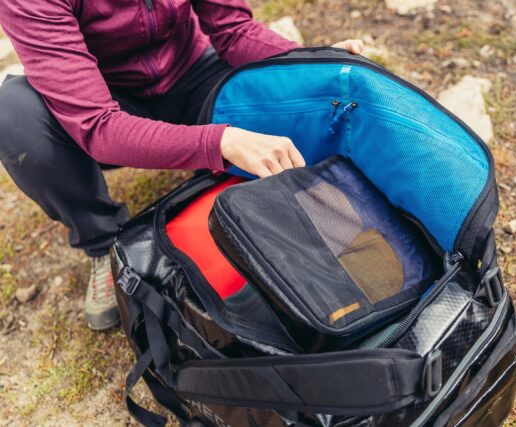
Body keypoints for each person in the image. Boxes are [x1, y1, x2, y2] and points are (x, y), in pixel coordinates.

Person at [0, 0, 364, 330]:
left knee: (285, 97)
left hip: (194, 74)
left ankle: (223, 184)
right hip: (108, 103)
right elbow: (98, 126)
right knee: (13, 113)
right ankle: (104, 243)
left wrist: (309, 60)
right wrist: (219, 142)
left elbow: (233, 31)